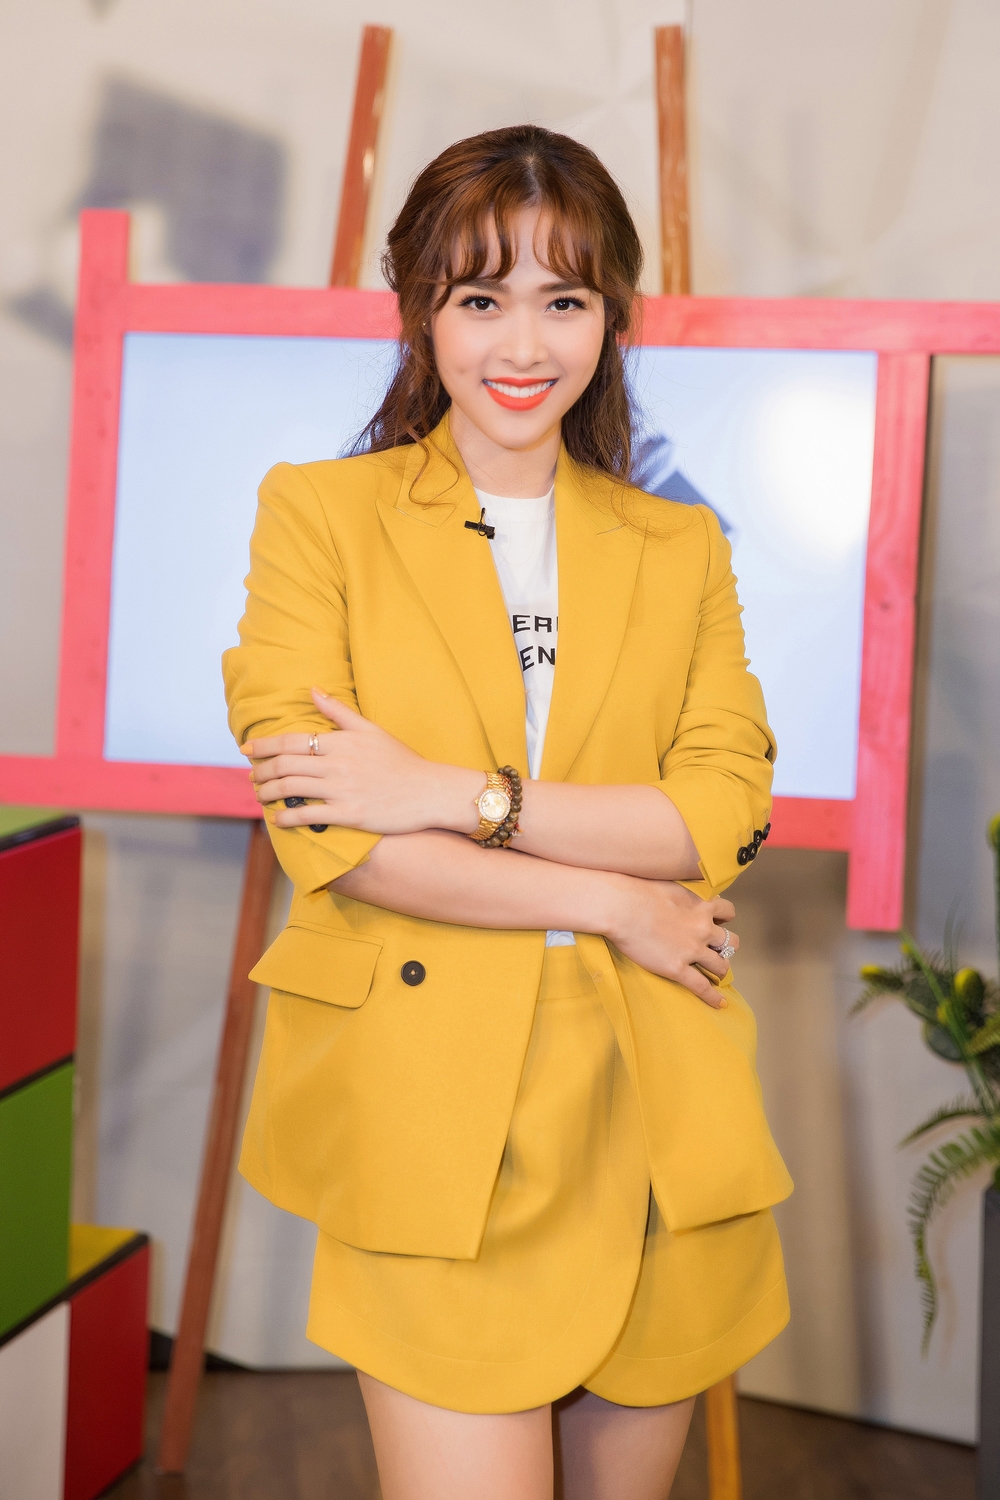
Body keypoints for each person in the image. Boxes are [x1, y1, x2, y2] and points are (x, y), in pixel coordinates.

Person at [223, 124, 792, 1500]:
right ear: (421, 310)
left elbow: (718, 811)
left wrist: (450, 795)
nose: (523, 344)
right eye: (480, 298)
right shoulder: (322, 517)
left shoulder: (679, 544)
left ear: (613, 314)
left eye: (564, 298)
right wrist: (616, 900)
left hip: (652, 1106)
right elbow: (339, 838)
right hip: (429, 1113)